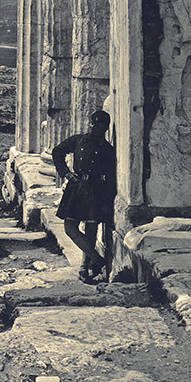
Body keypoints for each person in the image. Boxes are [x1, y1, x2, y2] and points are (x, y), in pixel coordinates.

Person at [51, 110, 116, 283]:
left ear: (106, 128)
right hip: (77, 187)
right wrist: (65, 173)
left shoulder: (108, 150)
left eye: (100, 125)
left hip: (96, 191)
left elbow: (111, 178)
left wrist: (108, 204)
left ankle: (84, 269)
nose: (94, 127)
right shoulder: (78, 140)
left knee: (91, 232)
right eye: (93, 123)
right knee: (70, 228)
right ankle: (97, 259)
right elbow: (57, 152)